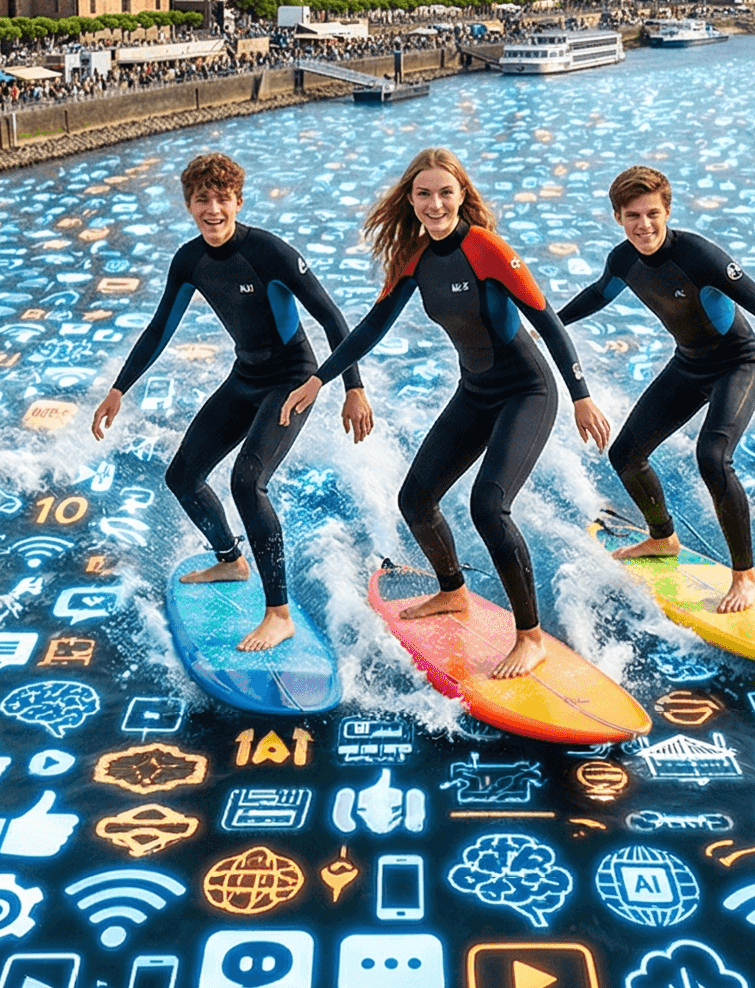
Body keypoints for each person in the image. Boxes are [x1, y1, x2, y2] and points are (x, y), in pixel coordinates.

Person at [283, 148, 610, 678]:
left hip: (527, 390)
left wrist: (581, 396)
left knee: (488, 505)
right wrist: (321, 378)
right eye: (424, 194)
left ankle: (530, 638)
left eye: (445, 193)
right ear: (410, 199)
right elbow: (371, 326)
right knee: (415, 498)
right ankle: (453, 591)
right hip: (476, 391)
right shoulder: (414, 259)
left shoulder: (487, 249)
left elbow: (547, 321)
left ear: (461, 196)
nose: (435, 204)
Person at [91, 153, 370, 652]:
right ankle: (230, 559)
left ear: (238, 202)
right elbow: (160, 328)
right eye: (203, 200)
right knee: (182, 476)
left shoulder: (270, 253)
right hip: (246, 376)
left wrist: (353, 387)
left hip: (292, 377)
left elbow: (331, 318)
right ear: (189, 206)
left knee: (247, 481)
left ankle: (278, 613)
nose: (213, 209)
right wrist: (119, 389)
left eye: (223, 199)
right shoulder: (189, 260)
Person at [559, 165, 755, 613]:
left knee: (712, 456)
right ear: (618, 217)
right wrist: (548, 327)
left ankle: (745, 577)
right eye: (632, 216)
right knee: (625, 454)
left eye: (652, 213)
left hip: (738, 365)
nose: (643, 225)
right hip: (689, 365)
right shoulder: (622, 260)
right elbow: (597, 294)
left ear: (667, 211)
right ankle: (662, 538)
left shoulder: (699, 255)